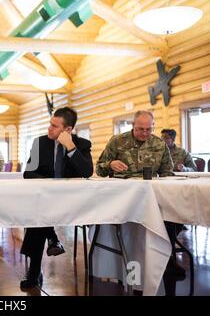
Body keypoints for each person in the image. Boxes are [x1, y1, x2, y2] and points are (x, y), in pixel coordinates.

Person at [95, 111, 183, 294]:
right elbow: (100, 168)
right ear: (132, 125)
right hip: (124, 200)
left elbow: (167, 173)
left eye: (148, 129)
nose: (144, 133)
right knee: (134, 236)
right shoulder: (117, 141)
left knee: (175, 215)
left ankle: (165, 258)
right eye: (139, 129)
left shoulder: (159, 144)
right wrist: (110, 164)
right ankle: (136, 276)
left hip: (152, 197)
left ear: (153, 126)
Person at [20, 107, 93, 289]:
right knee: (39, 213)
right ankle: (44, 253)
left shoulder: (82, 144)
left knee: (38, 214)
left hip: (72, 201)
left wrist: (70, 147)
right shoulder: (40, 143)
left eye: (54, 126)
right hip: (46, 198)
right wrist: (51, 184)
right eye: (50, 124)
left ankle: (44, 254)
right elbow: (28, 173)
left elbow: (87, 172)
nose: (49, 129)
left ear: (67, 130)